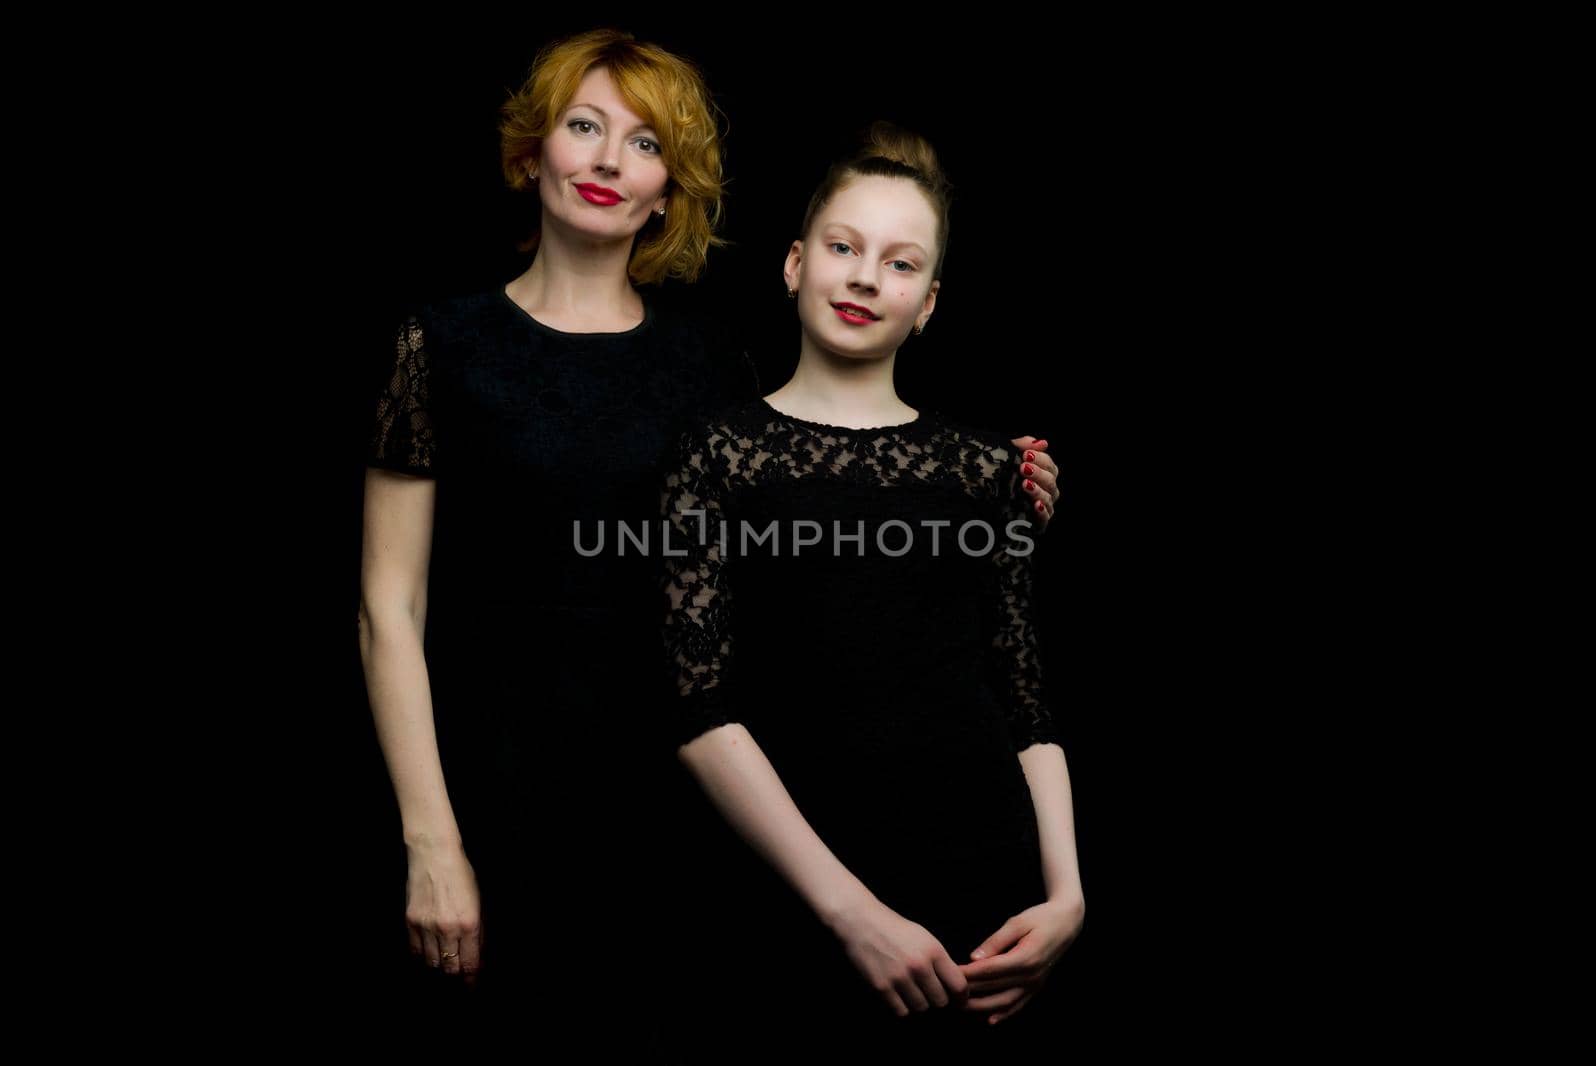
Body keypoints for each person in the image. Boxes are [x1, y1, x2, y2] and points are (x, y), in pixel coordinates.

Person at [357, 29, 1062, 1030]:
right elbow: (389, 605)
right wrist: (431, 840)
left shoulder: (710, 362)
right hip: (500, 789)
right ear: (533, 150)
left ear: (669, 188)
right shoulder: (443, 344)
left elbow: (836, 508)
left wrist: (1007, 485)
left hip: (698, 814)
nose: (608, 161)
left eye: (644, 144)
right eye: (585, 127)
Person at [658, 122, 1085, 1045]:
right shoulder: (717, 450)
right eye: (844, 249)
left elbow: (1025, 701)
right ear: (794, 263)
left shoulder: (982, 469)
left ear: (928, 304)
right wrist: (849, 912)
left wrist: (1068, 896)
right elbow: (698, 709)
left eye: (898, 264)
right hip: (800, 897)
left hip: (984, 900)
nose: (862, 278)